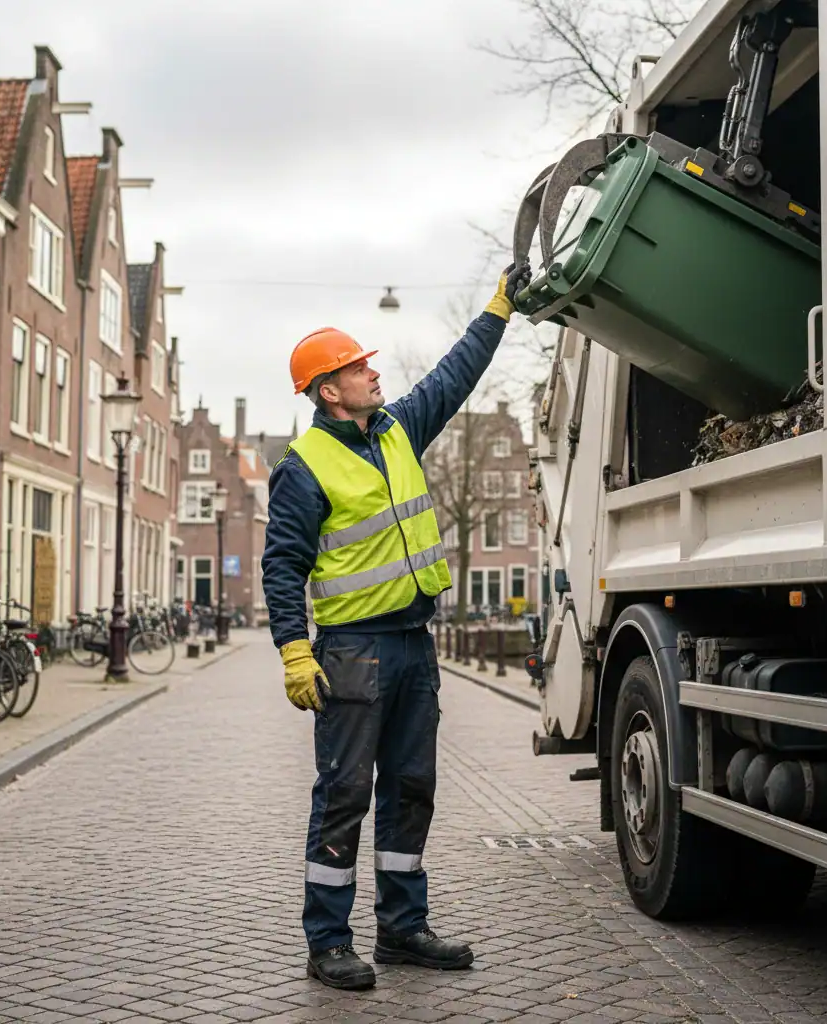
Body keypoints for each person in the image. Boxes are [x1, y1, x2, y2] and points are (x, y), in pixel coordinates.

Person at [261, 262, 531, 991]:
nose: (371, 373)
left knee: (412, 787)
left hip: (414, 645)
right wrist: (294, 651)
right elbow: (281, 567)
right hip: (352, 652)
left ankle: (403, 929)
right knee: (345, 794)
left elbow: (453, 376)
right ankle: (327, 941)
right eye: (356, 368)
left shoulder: (397, 431)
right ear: (328, 390)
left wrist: (497, 312)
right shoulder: (304, 467)